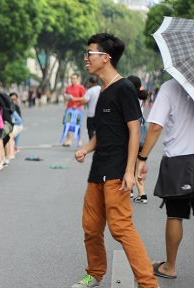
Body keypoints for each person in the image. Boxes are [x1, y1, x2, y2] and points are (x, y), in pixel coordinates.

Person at [72, 33, 158, 288]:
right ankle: (95, 272)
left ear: (106, 58)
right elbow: (105, 130)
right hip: (98, 169)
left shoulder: (124, 89)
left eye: (90, 53)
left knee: (120, 228)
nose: (86, 58)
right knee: (90, 227)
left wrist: (130, 171)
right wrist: (86, 149)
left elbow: (134, 130)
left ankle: (148, 283)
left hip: (117, 171)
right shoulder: (102, 91)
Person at [136, 78, 194, 280]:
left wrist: (142, 157)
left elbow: (155, 127)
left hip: (178, 160)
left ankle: (170, 267)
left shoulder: (170, 87)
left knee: (175, 214)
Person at [126, 75, 149, 204]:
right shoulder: (140, 99)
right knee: (138, 165)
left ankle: (138, 192)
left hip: (134, 137)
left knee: (132, 164)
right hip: (142, 137)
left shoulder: (130, 99)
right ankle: (137, 191)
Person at [74, 76, 101, 140]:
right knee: (99, 130)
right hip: (100, 114)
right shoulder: (102, 89)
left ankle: (92, 144)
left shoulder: (90, 91)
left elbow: (85, 100)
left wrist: (77, 105)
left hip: (91, 114)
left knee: (91, 130)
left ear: (90, 83)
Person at [63, 74, 86, 147]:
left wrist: (75, 99)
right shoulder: (68, 87)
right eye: (71, 78)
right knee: (67, 124)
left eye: (74, 78)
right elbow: (65, 97)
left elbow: (84, 98)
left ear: (77, 79)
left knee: (77, 125)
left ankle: (79, 140)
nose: (72, 80)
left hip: (77, 109)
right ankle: (68, 140)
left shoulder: (80, 87)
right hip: (69, 108)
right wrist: (66, 98)